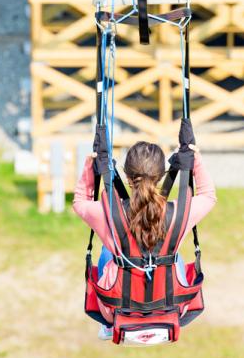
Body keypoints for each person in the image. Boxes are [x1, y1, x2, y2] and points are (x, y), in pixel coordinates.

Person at [72, 140, 216, 336]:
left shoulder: (108, 216)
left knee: (108, 249)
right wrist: (195, 160)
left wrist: (90, 166)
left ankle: (108, 327)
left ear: (128, 178)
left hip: (114, 310)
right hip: (172, 305)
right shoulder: (178, 215)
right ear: (159, 176)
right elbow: (208, 196)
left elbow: (80, 203)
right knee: (174, 254)